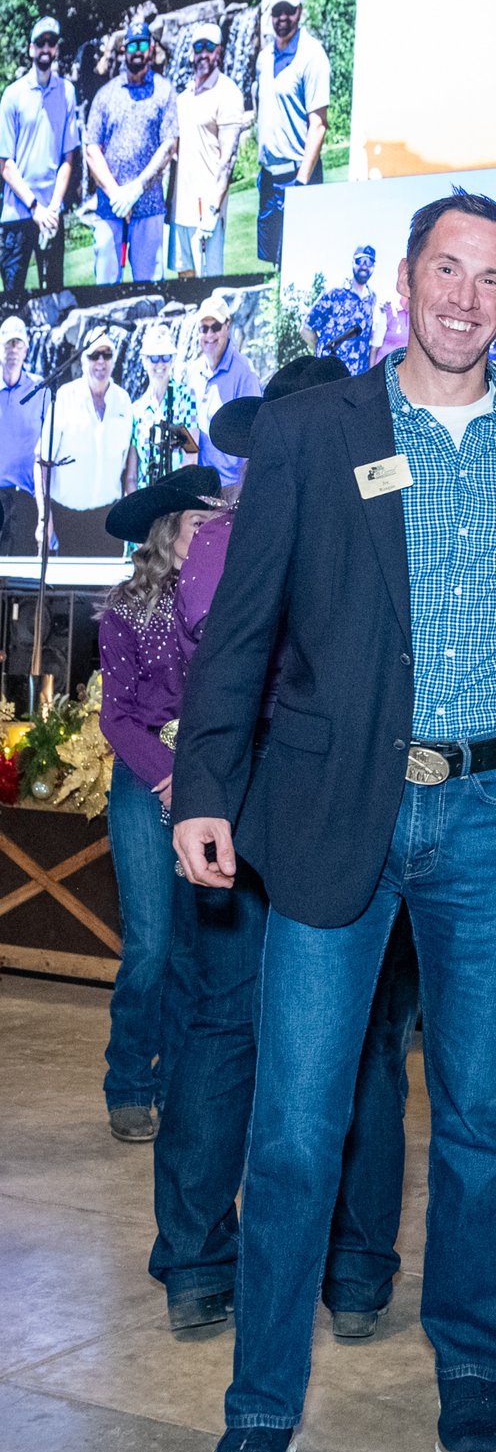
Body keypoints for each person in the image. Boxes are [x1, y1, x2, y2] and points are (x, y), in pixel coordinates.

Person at [171, 191, 496, 1452]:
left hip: (490, 820)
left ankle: (472, 1366)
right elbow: (242, 626)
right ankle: (259, 1414)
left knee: (471, 1121)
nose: (467, 298)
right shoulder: (311, 429)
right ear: (406, 280)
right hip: (335, 811)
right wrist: (201, 786)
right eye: (447, 270)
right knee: (296, 1129)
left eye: (492, 278)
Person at [150, 356, 425, 1342]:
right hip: (314, 796)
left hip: (264, 790)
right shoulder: (369, 528)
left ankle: (201, 1262)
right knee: (358, 1047)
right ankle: (348, 1272)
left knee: (230, 1031)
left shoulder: (225, 540)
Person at [96, 466, 224, 1146]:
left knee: (192, 948)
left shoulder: (228, 604)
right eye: (198, 526)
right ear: (168, 533)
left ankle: (178, 1082)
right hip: (146, 786)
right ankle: (128, 1083)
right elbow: (114, 717)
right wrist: (171, 773)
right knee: (150, 941)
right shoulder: (124, 608)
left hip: (210, 786)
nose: (210, 538)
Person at [83, 20, 177, 285]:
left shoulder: (164, 91)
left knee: (150, 288)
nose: (137, 50)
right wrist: (117, 196)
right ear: (124, 49)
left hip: (149, 206)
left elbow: (169, 145)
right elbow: (92, 150)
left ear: (150, 49)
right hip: (108, 208)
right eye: (132, 45)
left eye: (142, 44)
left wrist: (136, 188)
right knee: (105, 286)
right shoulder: (105, 94)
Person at [0, 16, 80, 298]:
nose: (46, 48)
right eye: (41, 42)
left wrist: (53, 207)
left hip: (51, 216)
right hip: (18, 215)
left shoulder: (67, 92)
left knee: (55, 298)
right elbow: (5, 165)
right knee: (11, 301)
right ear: (31, 48)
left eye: (51, 42)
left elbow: (68, 158)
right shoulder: (12, 95)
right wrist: (35, 207)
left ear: (56, 48)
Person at [40, 326, 135, 554]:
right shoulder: (64, 397)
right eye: (94, 355)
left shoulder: (124, 401)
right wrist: (45, 517)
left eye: (107, 355)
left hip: (108, 519)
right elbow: (42, 461)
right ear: (83, 360)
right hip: (66, 519)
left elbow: (128, 463)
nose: (100, 362)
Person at [168, 21, 249, 279]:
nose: (203, 54)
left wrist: (213, 210)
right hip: (180, 211)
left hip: (206, 213)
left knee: (208, 288)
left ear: (218, 52)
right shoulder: (184, 97)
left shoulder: (228, 93)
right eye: (198, 47)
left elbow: (228, 159)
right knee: (184, 281)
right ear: (191, 52)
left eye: (209, 48)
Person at [253, 0, 329, 266]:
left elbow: (318, 124)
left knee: (300, 261)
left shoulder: (312, 55)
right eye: (276, 12)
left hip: (297, 176)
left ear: (299, 11)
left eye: (288, 10)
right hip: (268, 177)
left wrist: (302, 182)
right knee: (271, 262)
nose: (282, 17)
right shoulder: (265, 57)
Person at [188, 295, 262, 496]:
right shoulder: (192, 371)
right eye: (204, 328)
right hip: (201, 487)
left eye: (216, 327)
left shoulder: (244, 372)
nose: (209, 334)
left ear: (227, 325)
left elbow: (254, 435)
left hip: (232, 488)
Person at [130, 321, 198, 489]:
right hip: (144, 501)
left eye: (165, 357)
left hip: (176, 496)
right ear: (144, 361)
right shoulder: (136, 410)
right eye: (154, 358)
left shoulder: (186, 397)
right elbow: (132, 473)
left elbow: (191, 456)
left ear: (172, 360)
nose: (160, 363)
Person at [0, 315, 48, 553]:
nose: (13, 350)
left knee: (22, 577)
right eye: (8, 343)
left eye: (18, 344)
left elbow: (48, 445)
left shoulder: (39, 389)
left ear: (26, 349)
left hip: (27, 497)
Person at [308, 246, 381, 377]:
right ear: (353, 262)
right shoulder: (334, 293)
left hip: (357, 379)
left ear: (373, 267)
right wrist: (323, 353)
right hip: (330, 375)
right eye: (360, 261)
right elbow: (306, 329)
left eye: (369, 262)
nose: (364, 266)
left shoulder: (372, 298)